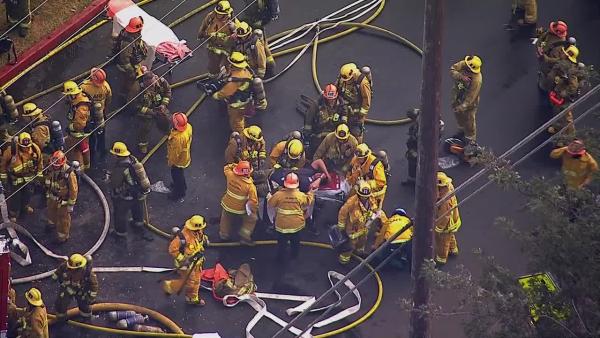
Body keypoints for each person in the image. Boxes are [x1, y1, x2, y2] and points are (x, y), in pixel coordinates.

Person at [107, 142, 152, 239]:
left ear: (118, 155)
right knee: (137, 209)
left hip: (126, 196)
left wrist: (110, 178)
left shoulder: (121, 168)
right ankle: (138, 223)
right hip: (139, 192)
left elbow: (115, 184)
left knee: (120, 214)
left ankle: (120, 233)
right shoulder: (133, 159)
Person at [212, 52, 264, 133]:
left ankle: (240, 134)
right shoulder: (246, 70)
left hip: (236, 105)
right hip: (248, 100)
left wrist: (216, 95)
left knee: (236, 122)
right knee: (242, 115)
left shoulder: (235, 80)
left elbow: (226, 92)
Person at [267, 173, 315, 261]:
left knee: (281, 244)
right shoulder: (300, 195)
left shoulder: (278, 195)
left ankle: (280, 259)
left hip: (282, 226)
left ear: (285, 183)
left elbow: (271, 204)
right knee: (295, 242)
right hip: (296, 226)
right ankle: (294, 256)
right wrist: (311, 193)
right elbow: (308, 202)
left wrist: (270, 196)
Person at [162, 215, 209, 305]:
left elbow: (200, 241)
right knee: (189, 283)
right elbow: (172, 249)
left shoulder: (199, 232)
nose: (199, 231)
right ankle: (170, 286)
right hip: (186, 265)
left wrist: (204, 240)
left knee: (196, 281)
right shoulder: (183, 237)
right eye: (196, 229)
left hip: (197, 263)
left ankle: (192, 298)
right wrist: (182, 259)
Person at [0, 132, 42, 221]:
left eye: (27, 146)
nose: (26, 148)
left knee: (28, 194)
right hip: (15, 179)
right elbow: (3, 165)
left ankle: (25, 207)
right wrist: (4, 179)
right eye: (23, 147)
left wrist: (39, 176)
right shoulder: (11, 151)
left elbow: (39, 162)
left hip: (29, 178)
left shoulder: (35, 149)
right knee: (15, 197)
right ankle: (13, 214)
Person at [336, 181, 381, 264]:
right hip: (353, 229)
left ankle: (358, 252)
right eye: (363, 196)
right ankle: (344, 261)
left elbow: (373, 205)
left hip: (364, 226)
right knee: (350, 245)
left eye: (366, 196)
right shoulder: (351, 202)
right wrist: (341, 227)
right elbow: (342, 213)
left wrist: (376, 211)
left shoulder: (370, 197)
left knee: (362, 241)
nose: (365, 198)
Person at [219, 161, 258, 245]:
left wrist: (235, 165)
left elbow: (226, 167)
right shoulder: (250, 186)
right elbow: (253, 201)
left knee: (225, 219)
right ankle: (245, 234)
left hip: (227, 204)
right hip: (241, 209)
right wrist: (253, 212)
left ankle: (223, 235)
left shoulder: (230, 175)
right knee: (251, 220)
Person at [303, 84, 347, 155]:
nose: (331, 100)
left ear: (336, 96)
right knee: (315, 150)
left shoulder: (341, 105)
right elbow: (308, 121)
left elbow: (344, 116)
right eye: (329, 99)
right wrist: (307, 137)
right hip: (319, 132)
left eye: (332, 99)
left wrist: (343, 125)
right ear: (325, 96)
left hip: (334, 133)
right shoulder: (316, 105)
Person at [134, 70, 172, 154]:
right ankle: (143, 145)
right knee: (145, 128)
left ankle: (169, 135)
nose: (151, 87)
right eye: (149, 85)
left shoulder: (161, 82)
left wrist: (164, 104)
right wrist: (151, 112)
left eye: (152, 84)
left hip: (159, 107)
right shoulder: (138, 89)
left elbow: (168, 91)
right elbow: (135, 106)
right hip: (146, 112)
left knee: (167, 120)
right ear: (145, 82)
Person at [45, 151, 78, 243]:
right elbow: (47, 180)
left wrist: (71, 205)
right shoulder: (50, 168)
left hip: (63, 200)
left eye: (57, 165)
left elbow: (73, 190)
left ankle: (63, 236)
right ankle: (51, 224)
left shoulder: (69, 173)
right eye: (54, 164)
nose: (55, 166)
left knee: (63, 219)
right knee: (51, 211)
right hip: (52, 196)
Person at [545, 45, 580, 135]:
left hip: (565, 97)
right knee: (558, 112)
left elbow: (574, 86)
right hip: (559, 92)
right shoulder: (563, 65)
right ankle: (557, 127)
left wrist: (564, 93)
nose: (562, 54)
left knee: (566, 115)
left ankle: (571, 136)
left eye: (564, 53)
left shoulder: (571, 71)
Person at [52, 254, 98, 320]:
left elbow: (94, 285)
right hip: (67, 288)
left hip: (81, 291)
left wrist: (91, 297)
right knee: (61, 304)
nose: (72, 271)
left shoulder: (88, 274)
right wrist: (55, 276)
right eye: (71, 269)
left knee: (84, 305)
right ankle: (61, 318)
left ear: (81, 267)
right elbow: (60, 270)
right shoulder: (66, 266)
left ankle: (86, 317)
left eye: (75, 269)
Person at [81, 67, 112, 164]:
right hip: (101, 114)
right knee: (101, 133)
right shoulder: (105, 86)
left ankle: (92, 155)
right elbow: (109, 99)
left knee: (91, 136)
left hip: (89, 117)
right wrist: (104, 109)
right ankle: (102, 151)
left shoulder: (84, 87)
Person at [198, 0, 235, 77]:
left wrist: (233, 29)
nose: (218, 15)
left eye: (221, 14)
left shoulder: (231, 21)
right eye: (218, 13)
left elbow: (236, 36)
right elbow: (204, 26)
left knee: (226, 63)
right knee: (213, 64)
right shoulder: (211, 16)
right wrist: (201, 35)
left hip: (226, 47)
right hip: (213, 44)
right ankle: (214, 75)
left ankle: (229, 75)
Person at [450, 55, 483, 143]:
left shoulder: (477, 80)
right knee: (458, 115)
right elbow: (452, 69)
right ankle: (461, 131)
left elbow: (471, 96)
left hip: (469, 103)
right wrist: (461, 76)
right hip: (458, 95)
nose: (466, 68)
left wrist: (463, 106)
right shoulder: (465, 63)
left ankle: (470, 140)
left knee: (469, 119)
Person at [336, 63, 372, 142]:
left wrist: (361, 115)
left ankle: (357, 145)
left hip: (356, 110)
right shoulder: (343, 77)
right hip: (343, 106)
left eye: (348, 80)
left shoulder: (363, 83)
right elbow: (337, 87)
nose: (346, 81)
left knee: (356, 130)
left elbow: (366, 100)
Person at [115, 16, 148, 101]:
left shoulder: (135, 37)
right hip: (127, 66)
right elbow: (124, 60)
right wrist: (131, 72)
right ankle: (124, 95)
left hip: (134, 63)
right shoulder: (127, 43)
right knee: (130, 80)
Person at [63, 80, 92, 170]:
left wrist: (70, 127)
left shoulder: (81, 106)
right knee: (83, 148)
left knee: (77, 152)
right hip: (81, 132)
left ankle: (80, 171)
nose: (67, 98)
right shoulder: (79, 99)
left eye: (68, 96)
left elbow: (80, 125)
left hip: (79, 133)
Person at [347, 143, 387, 207]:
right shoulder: (356, 159)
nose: (358, 159)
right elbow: (350, 168)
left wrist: (366, 183)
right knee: (350, 198)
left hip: (373, 188)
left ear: (366, 156)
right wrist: (348, 180)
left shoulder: (376, 165)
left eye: (360, 158)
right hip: (360, 182)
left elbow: (381, 183)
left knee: (372, 207)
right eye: (358, 157)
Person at [434, 172, 461, 265]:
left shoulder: (444, 202)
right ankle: (453, 249)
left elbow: (444, 216)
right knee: (450, 237)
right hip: (454, 220)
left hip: (447, 225)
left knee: (443, 242)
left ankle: (441, 259)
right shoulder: (449, 187)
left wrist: (438, 229)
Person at [536, 21, 568, 91]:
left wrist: (545, 58)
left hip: (547, 63)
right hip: (544, 53)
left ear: (558, 32)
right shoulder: (551, 32)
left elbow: (557, 60)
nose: (550, 28)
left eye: (553, 28)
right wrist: (539, 45)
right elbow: (544, 36)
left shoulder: (557, 47)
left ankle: (544, 86)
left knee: (546, 74)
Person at [167, 113, 193, 202]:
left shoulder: (178, 138)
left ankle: (179, 193)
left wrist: (171, 162)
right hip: (184, 157)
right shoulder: (188, 127)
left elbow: (175, 153)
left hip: (178, 161)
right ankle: (182, 187)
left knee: (177, 175)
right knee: (179, 175)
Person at [403, 108, 419, 185]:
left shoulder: (423, 125)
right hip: (415, 145)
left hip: (423, 148)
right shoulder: (415, 124)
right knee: (412, 161)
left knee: (419, 163)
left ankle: (420, 182)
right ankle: (412, 179)